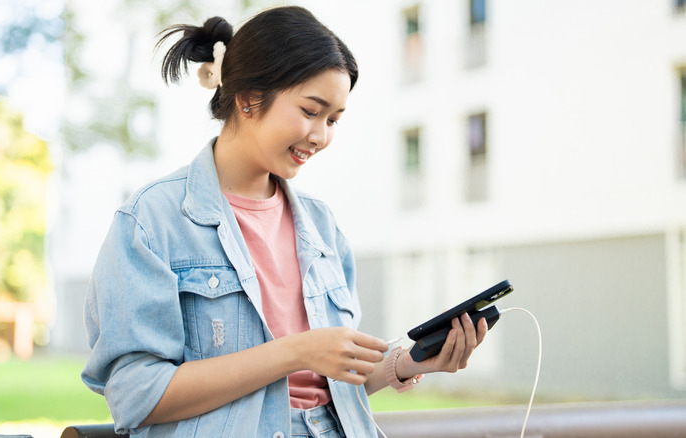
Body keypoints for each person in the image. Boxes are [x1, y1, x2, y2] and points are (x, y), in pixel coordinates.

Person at [81, 6, 488, 438]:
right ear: (249, 97)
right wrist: (294, 352)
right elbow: (135, 396)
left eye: (333, 119)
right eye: (311, 111)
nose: (322, 136)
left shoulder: (321, 224)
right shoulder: (152, 221)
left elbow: (325, 386)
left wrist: (406, 362)